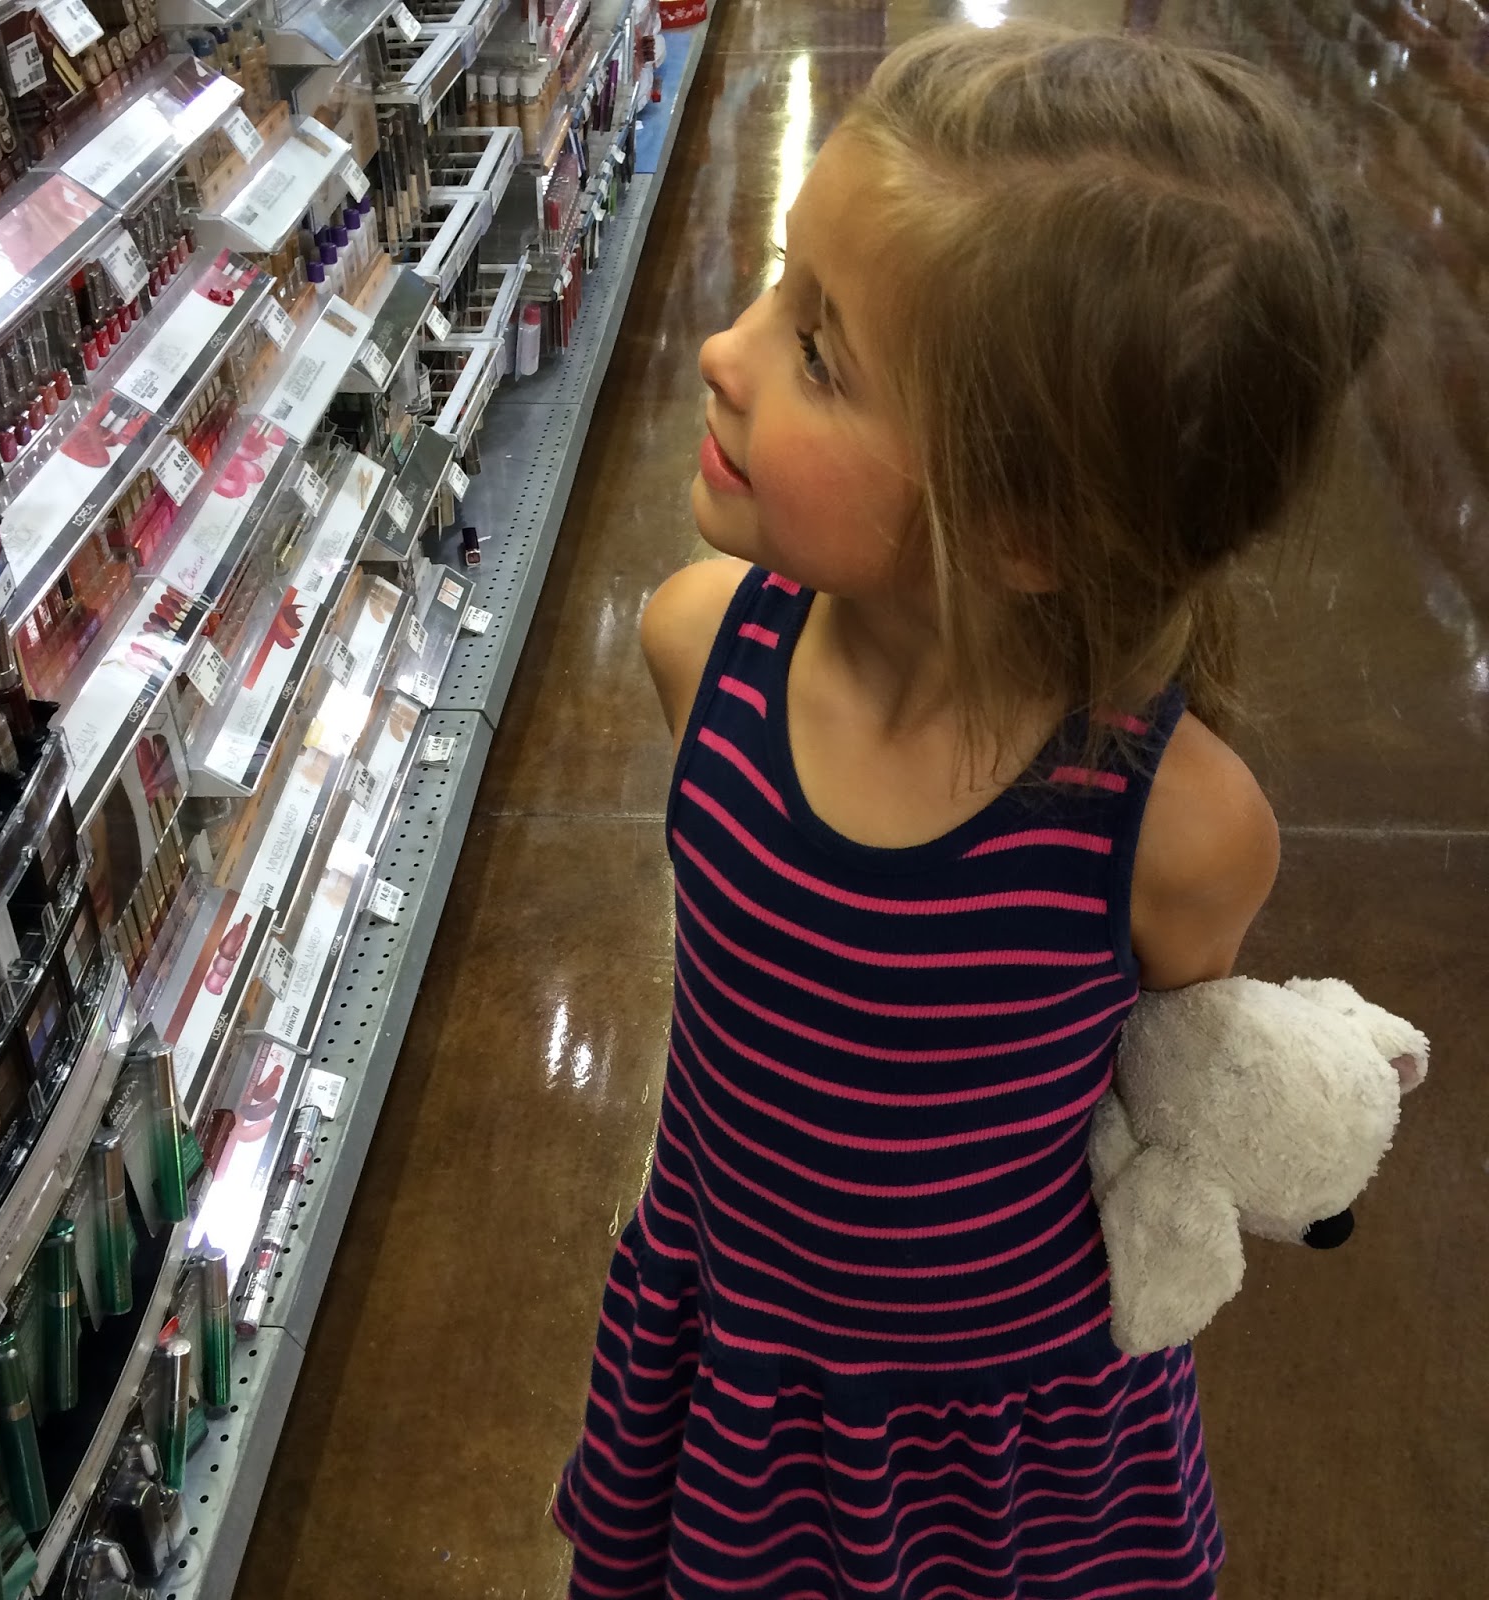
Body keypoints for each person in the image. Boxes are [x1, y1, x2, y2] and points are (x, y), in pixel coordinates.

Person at [554, 22, 1388, 1599]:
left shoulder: (1175, 831)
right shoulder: (697, 648)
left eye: (818, 352)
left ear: (1024, 528)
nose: (724, 351)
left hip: (1013, 1448)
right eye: (781, 284)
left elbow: (1161, 1079)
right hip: (744, 1368)